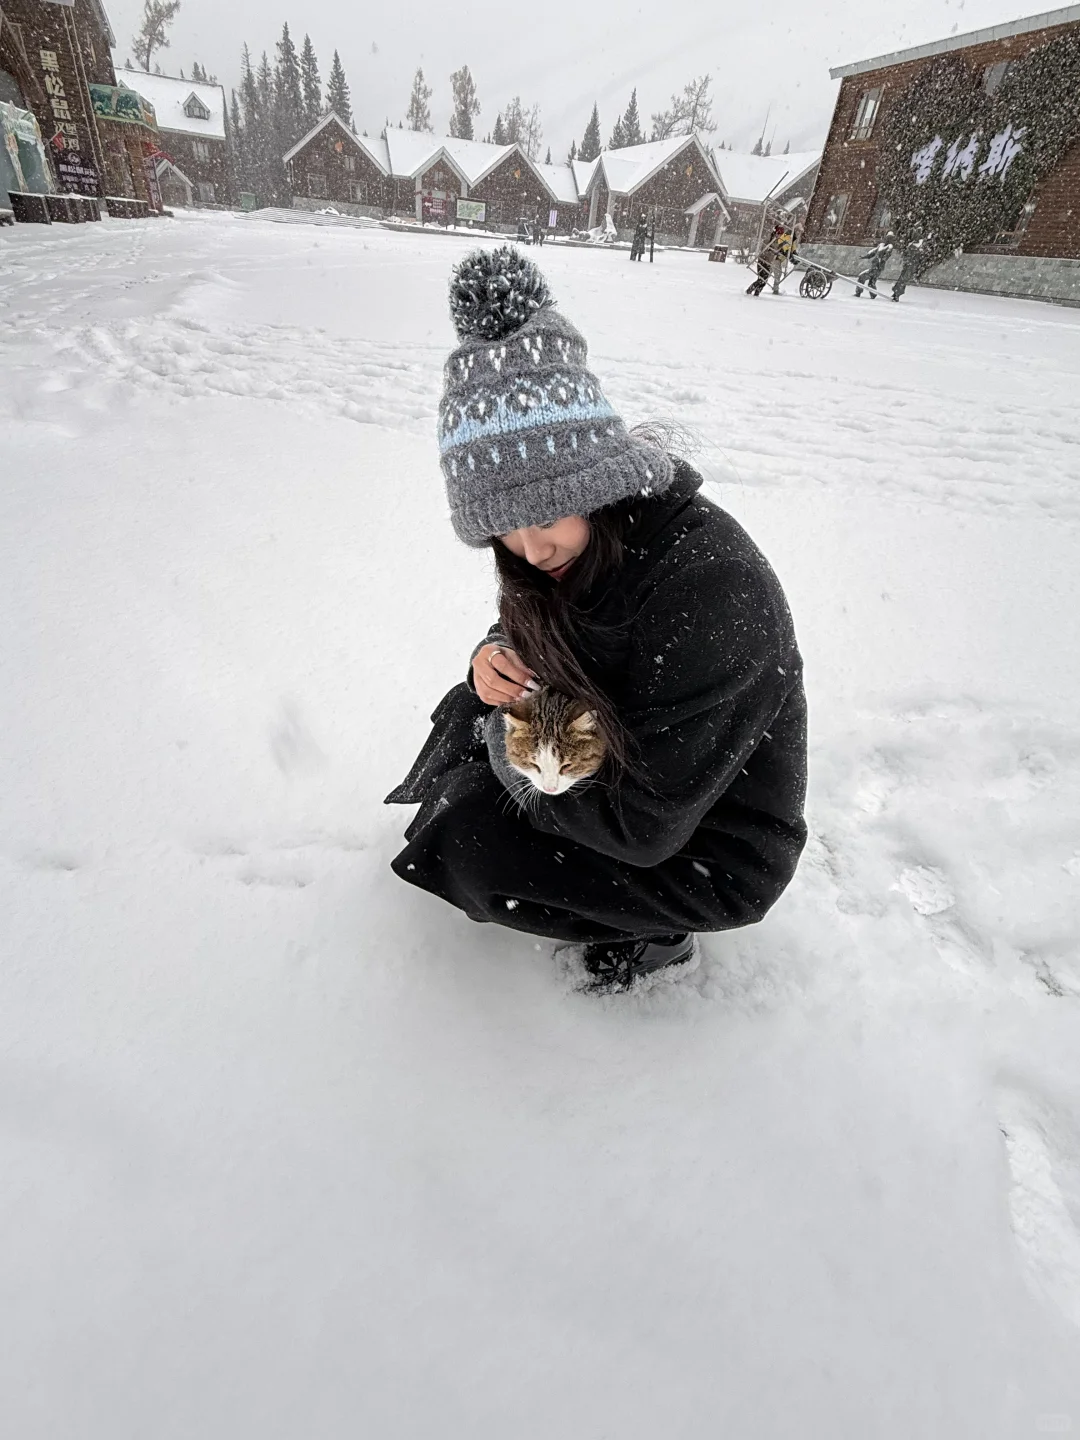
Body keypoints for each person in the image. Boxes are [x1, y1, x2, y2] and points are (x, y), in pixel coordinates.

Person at [385, 247, 808, 991]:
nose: (528, 548)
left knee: (479, 841)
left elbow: (641, 828)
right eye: (503, 529)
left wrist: (504, 740)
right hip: (623, 753)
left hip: (705, 839)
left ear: (597, 480)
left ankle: (660, 933)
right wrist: (494, 658)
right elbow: (534, 634)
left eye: (544, 516)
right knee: (470, 712)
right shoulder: (573, 549)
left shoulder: (711, 589)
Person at [746, 223, 786, 296]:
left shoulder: (777, 241)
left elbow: (777, 249)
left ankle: (756, 293)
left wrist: (781, 247)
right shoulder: (769, 240)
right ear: (776, 233)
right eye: (779, 234)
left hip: (768, 262)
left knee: (764, 280)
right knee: (762, 279)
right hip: (762, 261)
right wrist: (774, 251)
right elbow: (766, 250)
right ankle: (750, 290)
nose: (780, 236)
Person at [854, 231, 894, 299]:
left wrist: (881, 260)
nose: (888, 239)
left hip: (878, 267)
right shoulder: (881, 245)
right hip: (874, 266)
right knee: (871, 282)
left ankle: (859, 292)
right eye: (887, 237)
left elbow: (887, 255)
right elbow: (873, 252)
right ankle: (873, 294)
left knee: (862, 277)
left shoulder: (889, 247)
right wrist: (865, 256)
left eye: (890, 238)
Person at [891, 232, 927, 301]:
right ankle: (896, 293)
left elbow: (912, 256)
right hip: (909, 265)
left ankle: (897, 293)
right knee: (902, 280)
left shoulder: (916, 247)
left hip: (910, 265)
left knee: (903, 280)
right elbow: (910, 256)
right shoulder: (915, 247)